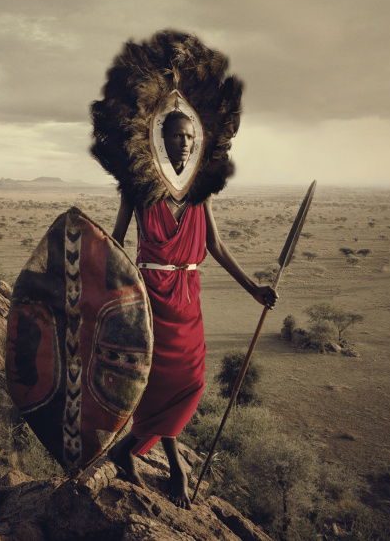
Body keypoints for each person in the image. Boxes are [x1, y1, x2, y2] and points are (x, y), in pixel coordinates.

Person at [107, 110, 277, 509]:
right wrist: (105, 286)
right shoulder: (138, 187)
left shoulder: (201, 188)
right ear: (161, 140)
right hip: (150, 293)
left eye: (189, 137)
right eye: (176, 136)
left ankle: (127, 451)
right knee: (157, 384)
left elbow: (215, 245)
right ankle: (177, 468)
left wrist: (253, 288)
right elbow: (115, 240)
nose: (184, 142)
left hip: (186, 294)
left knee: (191, 380)